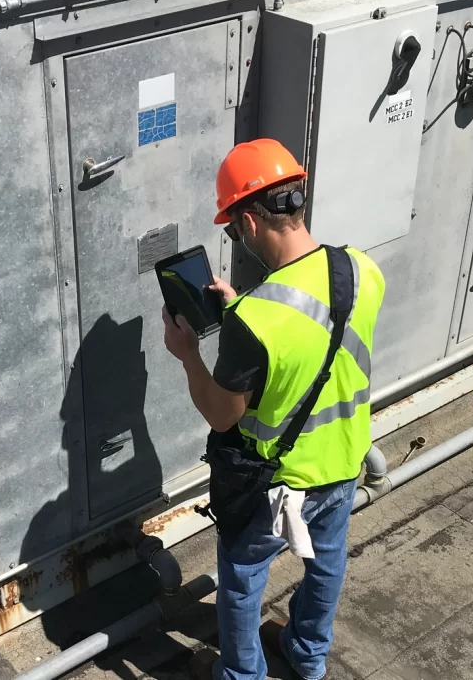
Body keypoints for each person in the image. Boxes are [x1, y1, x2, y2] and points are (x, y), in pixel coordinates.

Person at [161, 139, 385, 680]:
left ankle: (242, 676)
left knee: (241, 575)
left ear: (251, 220)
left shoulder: (256, 321)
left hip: (278, 483)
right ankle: (308, 657)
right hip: (344, 461)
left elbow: (222, 414)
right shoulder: (361, 269)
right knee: (326, 563)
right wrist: (241, 302)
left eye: (233, 228)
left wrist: (189, 355)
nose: (237, 237)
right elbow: (314, 333)